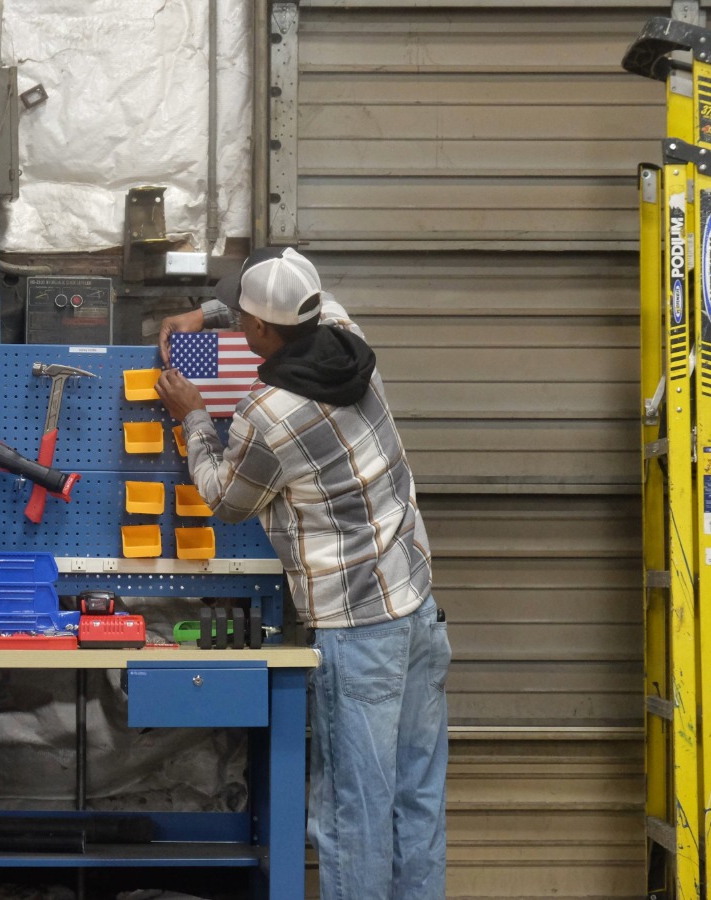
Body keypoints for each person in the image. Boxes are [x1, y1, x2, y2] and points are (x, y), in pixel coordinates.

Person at [154, 246, 451, 900]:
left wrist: (193, 418)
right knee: (416, 797)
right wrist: (205, 312)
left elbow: (228, 500)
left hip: (359, 630)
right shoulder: (349, 341)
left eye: (240, 321)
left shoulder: (269, 413)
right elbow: (292, 306)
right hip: (419, 609)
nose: (236, 327)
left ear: (259, 331)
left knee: (355, 813)